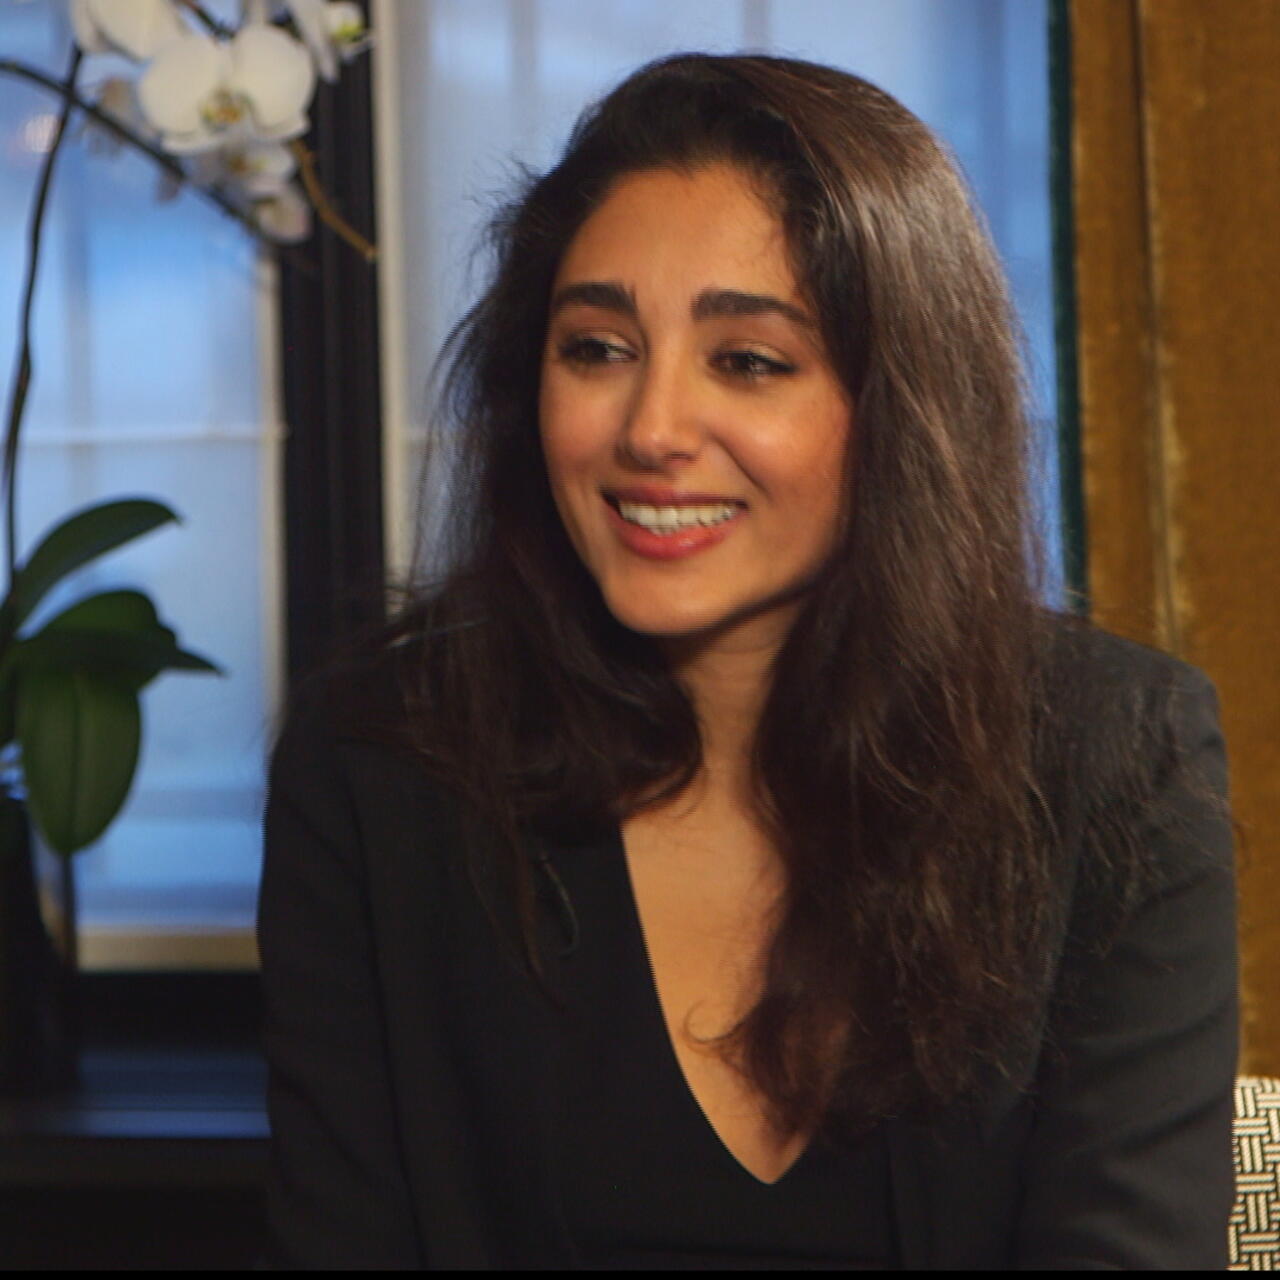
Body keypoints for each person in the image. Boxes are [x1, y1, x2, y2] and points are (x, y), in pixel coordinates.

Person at [257, 53, 1238, 1269]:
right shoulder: (379, 765)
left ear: (899, 406)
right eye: (596, 348)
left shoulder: (1115, 758)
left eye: (748, 360)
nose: (651, 428)